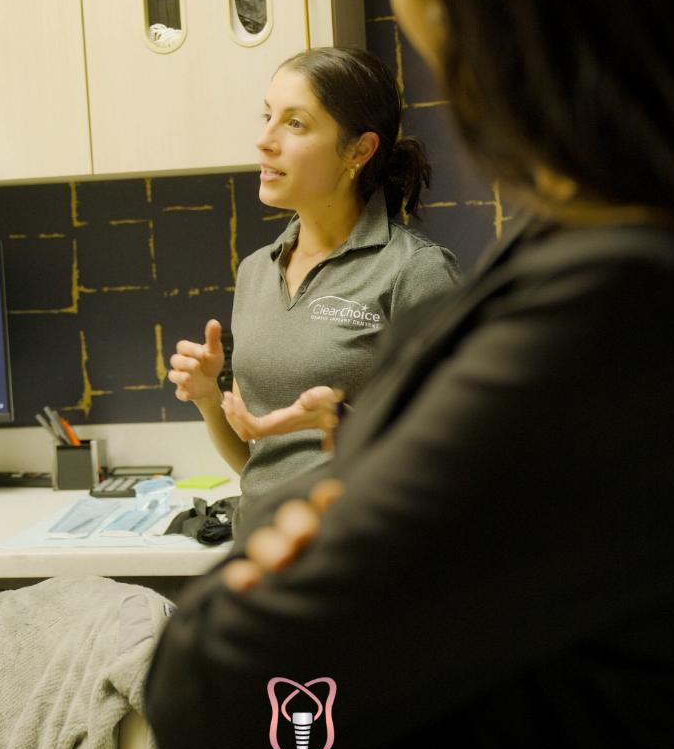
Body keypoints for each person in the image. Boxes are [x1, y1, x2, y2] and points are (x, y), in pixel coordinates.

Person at [147, 0, 674, 749]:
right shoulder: (591, 249)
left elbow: (214, 700)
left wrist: (336, 503)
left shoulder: (614, 310)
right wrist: (330, 501)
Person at [168, 47, 459, 530]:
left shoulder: (414, 272)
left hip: (362, 568)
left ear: (359, 151)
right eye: (267, 117)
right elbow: (260, 464)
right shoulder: (256, 272)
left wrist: (345, 425)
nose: (264, 140)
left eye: (295, 124)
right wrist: (207, 397)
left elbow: (460, 458)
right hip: (263, 562)